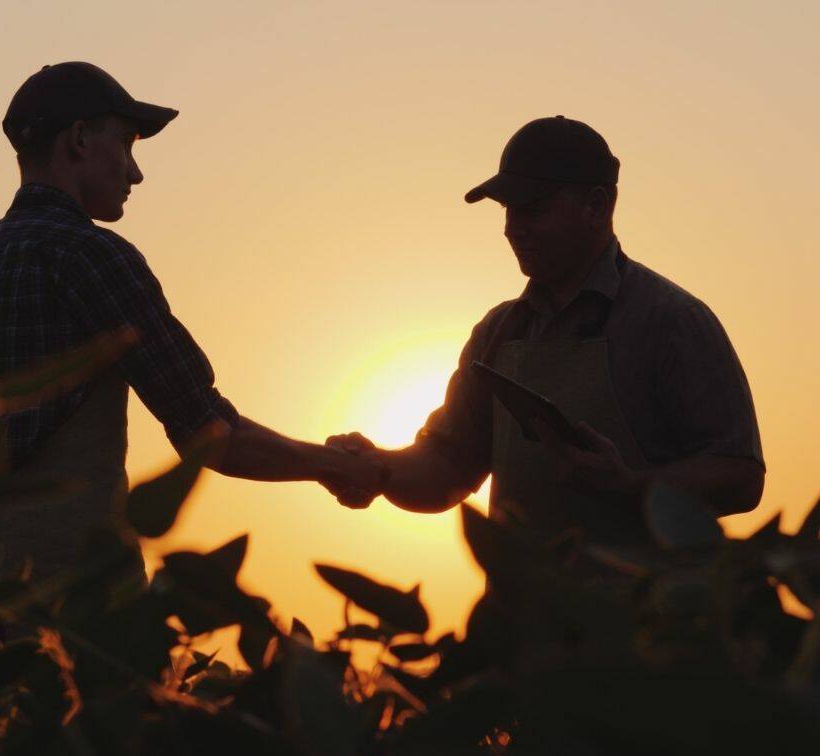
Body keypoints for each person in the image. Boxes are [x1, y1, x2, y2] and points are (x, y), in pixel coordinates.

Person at [0, 62, 380, 582]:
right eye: (127, 144)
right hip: (84, 617)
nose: (135, 172)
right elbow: (209, 431)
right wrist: (336, 466)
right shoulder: (90, 257)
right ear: (80, 140)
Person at [326, 116, 764, 543]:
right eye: (508, 211)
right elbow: (447, 471)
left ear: (597, 205)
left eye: (533, 209)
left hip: (647, 615)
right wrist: (376, 468)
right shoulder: (497, 333)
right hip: (521, 614)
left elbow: (742, 478)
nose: (513, 229)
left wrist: (633, 484)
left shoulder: (674, 322)